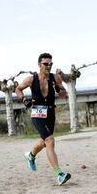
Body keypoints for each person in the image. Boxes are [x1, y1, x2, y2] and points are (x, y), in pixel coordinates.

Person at [15, 53, 71, 185]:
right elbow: (18, 89)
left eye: (51, 64)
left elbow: (63, 95)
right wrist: (24, 100)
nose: (49, 66)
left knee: (44, 141)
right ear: (39, 65)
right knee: (50, 140)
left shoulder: (55, 77)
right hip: (37, 113)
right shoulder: (31, 79)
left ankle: (31, 155)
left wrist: (60, 88)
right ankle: (59, 174)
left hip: (51, 112)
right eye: (46, 64)